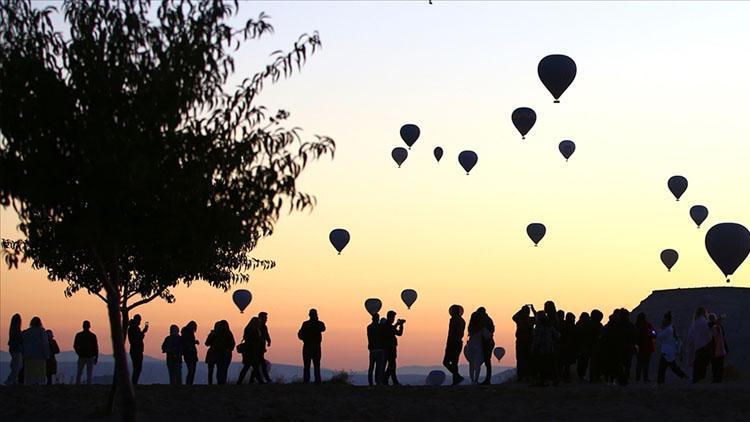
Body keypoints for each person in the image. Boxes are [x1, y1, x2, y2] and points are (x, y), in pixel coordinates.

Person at [656, 311, 686, 384]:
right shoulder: (670, 328)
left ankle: (660, 382)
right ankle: (684, 377)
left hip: (667, 351)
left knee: (662, 369)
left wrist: (660, 329)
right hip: (669, 351)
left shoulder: (668, 330)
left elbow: (659, 336)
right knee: (673, 367)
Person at [298, 309, 326, 384]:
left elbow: (323, 329)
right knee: (314, 365)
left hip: (310, 346)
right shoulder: (313, 324)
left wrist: (304, 338)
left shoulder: (307, 324)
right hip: (312, 346)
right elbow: (300, 334)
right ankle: (314, 381)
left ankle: (309, 381)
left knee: (310, 365)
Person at [531, 311, 560, 387]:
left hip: (542, 350)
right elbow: (558, 335)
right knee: (551, 366)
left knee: (542, 366)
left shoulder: (539, 327)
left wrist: (534, 348)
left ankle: (543, 381)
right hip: (550, 349)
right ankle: (554, 381)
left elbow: (536, 340)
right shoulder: (549, 326)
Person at [468, 307, 495, 385]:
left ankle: (479, 380)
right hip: (484, 343)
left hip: (484, 344)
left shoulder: (481, 322)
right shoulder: (487, 320)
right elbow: (491, 332)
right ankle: (482, 379)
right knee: (485, 362)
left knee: (482, 362)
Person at [686, 307, 712, 383]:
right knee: (702, 364)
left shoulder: (695, 323)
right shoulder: (704, 321)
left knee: (698, 363)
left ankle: (696, 378)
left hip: (698, 346)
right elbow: (708, 332)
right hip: (706, 345)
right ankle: (699, 378)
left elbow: (691, 336)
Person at [21, 316, 49, 385]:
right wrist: (47, 354)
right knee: (39, 373)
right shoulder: (42, 332)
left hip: (29, 356)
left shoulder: (27, 332)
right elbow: (45, 344)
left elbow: (23, 343)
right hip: (40, 356)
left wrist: (23, 354)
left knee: (30, 373)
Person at [207, 320, 235, 385]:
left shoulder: (216, 333)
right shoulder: (228, 333)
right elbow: (232, 344)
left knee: (218, 369)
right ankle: (221, 383)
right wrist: (229, 349)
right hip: (223, 353)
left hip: (216, 353)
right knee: (222, 369)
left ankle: (215, 383)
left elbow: (207, 343)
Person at [237, 317, 264, 385]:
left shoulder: (253, 329)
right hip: (251, 351)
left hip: (252, 351)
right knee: (253, 366)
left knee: (251, 367)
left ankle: (242, 382)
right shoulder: (252, 330)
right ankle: (257, 381)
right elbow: (252, 341)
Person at [443, 305, 465, 386]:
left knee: (446, 362)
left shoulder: (453, 319)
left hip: (453, 343)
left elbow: (451, 333)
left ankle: (457, 377)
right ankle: (456, 379)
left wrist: (449, 343)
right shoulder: (462, 320)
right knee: (454, 362)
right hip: (459, 343)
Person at [381, 310, 405, 386]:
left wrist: (401, 325)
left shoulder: (390, 326)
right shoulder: (385, 326)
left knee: (393, 366)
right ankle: (385, 379)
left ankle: (394, 381)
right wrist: (397, 324)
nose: (393, 319)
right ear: (389, 317)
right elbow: (390, 332)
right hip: (388, 348)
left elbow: (399, 333)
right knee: (391, 365)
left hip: (392, 348)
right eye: (393, 318)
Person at [512, 305, 535, 382]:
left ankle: (522, 376)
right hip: (527, 342)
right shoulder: (530, 320)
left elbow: (514, 317)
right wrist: (533, 309)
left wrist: (521, 310)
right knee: (527, 359)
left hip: (522, 342)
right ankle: (526, 376)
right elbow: (538, 318)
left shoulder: (520, 319)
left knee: (522, 359)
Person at [74, 320, 99, 385]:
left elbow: (75, 346)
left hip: (84, 356)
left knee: (80, 372)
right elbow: (96, 347)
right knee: (88, 372)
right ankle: (87, 385)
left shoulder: (79, 335)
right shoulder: (92, 335)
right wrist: (96, 357)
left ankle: (78, 384)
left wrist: (79, 353)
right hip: (88, 356)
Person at [634, 312, 656, 382]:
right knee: (646, 364)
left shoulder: (636, 326)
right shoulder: (648, 325)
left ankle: (637, 378)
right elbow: (654, 334)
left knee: (639, 363)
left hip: (639, 347)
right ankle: (645, 377)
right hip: (647, 347)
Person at [127, 314, 149, 385]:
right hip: (136, 350)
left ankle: (134, 382)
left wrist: (142, 332)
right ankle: (134, 383)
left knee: (136, 367)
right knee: (137, 367)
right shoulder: (134, 328)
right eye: (139, 320)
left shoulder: (132, 328)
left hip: (136, 350)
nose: (140, 322)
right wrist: (143, 332)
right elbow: (137, 339)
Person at [367, 313, 385, 386]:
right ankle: (378, 381)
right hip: (379, 349)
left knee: (371, 366)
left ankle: (371, 382)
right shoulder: (380, 327)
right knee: (379, 367)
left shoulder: (369, 327)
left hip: (372, 349)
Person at [708, 314, 727, 383]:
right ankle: (717, 379)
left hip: (716, 349)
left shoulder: (716, 327)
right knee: (717, 365)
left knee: (717, 365)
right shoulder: (713, 327)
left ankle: (717, 379)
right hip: (716, 349)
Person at [5, 313, 23, 385]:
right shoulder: (16, 330)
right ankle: (10, 380)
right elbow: (19, 339)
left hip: (13, 349)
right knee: (17, 365)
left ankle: (14, 380)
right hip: (16, 349)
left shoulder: (12, 329)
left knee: (17, 365)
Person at [588, 309, 604, 382]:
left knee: (595, 363)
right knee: (595, 362)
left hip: (594, 346)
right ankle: (595, 376)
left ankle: (594, 376)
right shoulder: (597, 325)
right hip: (595, 346)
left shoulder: (590, 324)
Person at [559, 312, 577, 382]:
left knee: (564, 364)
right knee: (566, 364)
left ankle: (563, 376)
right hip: (568, 347)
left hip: (565, 347)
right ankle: (565, 376)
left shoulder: (563, 325)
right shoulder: (572, 326)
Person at [575, 312, 592, 380]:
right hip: (584, 345)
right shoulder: (585, 324)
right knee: (584, 361)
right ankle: (582, 375)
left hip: (582, 345)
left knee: (582, 361)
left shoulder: (579, 324)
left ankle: (581, 375)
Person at [181, 321, 199, 385]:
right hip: (190, 354)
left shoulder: (186, 333)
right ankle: (189, 383)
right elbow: (187, 343)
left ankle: (189, 383)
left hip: (190, 354)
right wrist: (194, 342)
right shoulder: (188, 333)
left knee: (191, 370)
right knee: (191, 370)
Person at [258, 312, 272, 383]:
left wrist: (269, 341)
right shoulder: (257, 326)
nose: (266, 319)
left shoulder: (264, 326)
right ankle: (267, 379)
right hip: (257, 348)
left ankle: (253, 380)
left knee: (256, 365)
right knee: (261, 364)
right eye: (265, 318)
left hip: (261, 348)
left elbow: (266, 335)